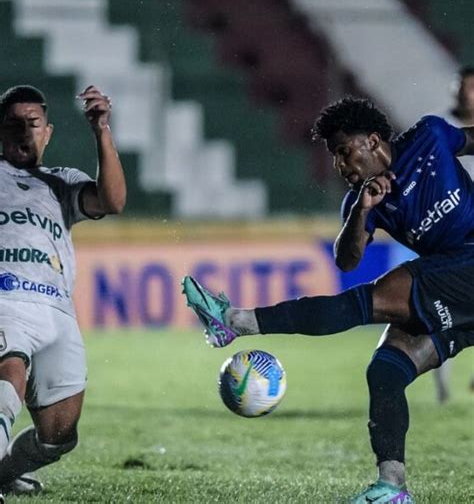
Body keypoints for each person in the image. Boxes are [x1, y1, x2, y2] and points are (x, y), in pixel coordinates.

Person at [182, 96, 474, 503]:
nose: (340, 165)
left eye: (343, 151)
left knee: (373, 299)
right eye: (335, 156)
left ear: (373, 141)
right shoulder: (365, 200)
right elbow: (347, 259)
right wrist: (361, 210)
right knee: (386, 372)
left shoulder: (430, 137)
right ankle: (393, 489)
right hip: (457, 287)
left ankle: (236, 321)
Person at [0, 84, 126, 501]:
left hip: (56, 312)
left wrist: (102, 131)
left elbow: (113, 200)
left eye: (33, 124)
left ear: (48, 132)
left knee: (58, 435)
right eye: (15, 124)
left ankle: (4, 473)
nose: (24, 132)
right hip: (6, 302)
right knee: (7, 386)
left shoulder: (61, 181)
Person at [432, 66, 474, 403]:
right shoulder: (441, 128)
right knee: (439, 310)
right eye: (462, 86)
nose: (465, 92)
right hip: (446, 229)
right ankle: (443, 388)